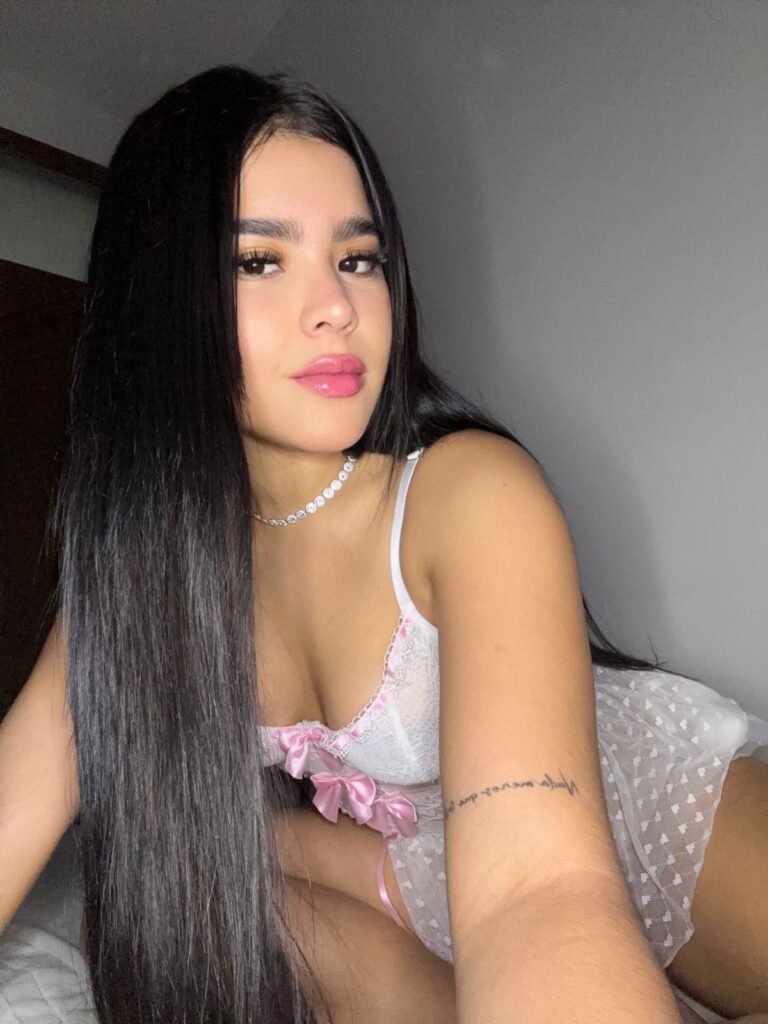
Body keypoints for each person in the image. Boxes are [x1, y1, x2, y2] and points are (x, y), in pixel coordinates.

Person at [1, 64, 767, 1024]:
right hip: (408, 872)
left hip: (633, 805)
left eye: (358, 258)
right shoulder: (139, 583)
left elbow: (537, 891)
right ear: (153, 304)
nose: (336, 305)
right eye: (258, 261)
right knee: (205, 901)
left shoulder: (466, 493)